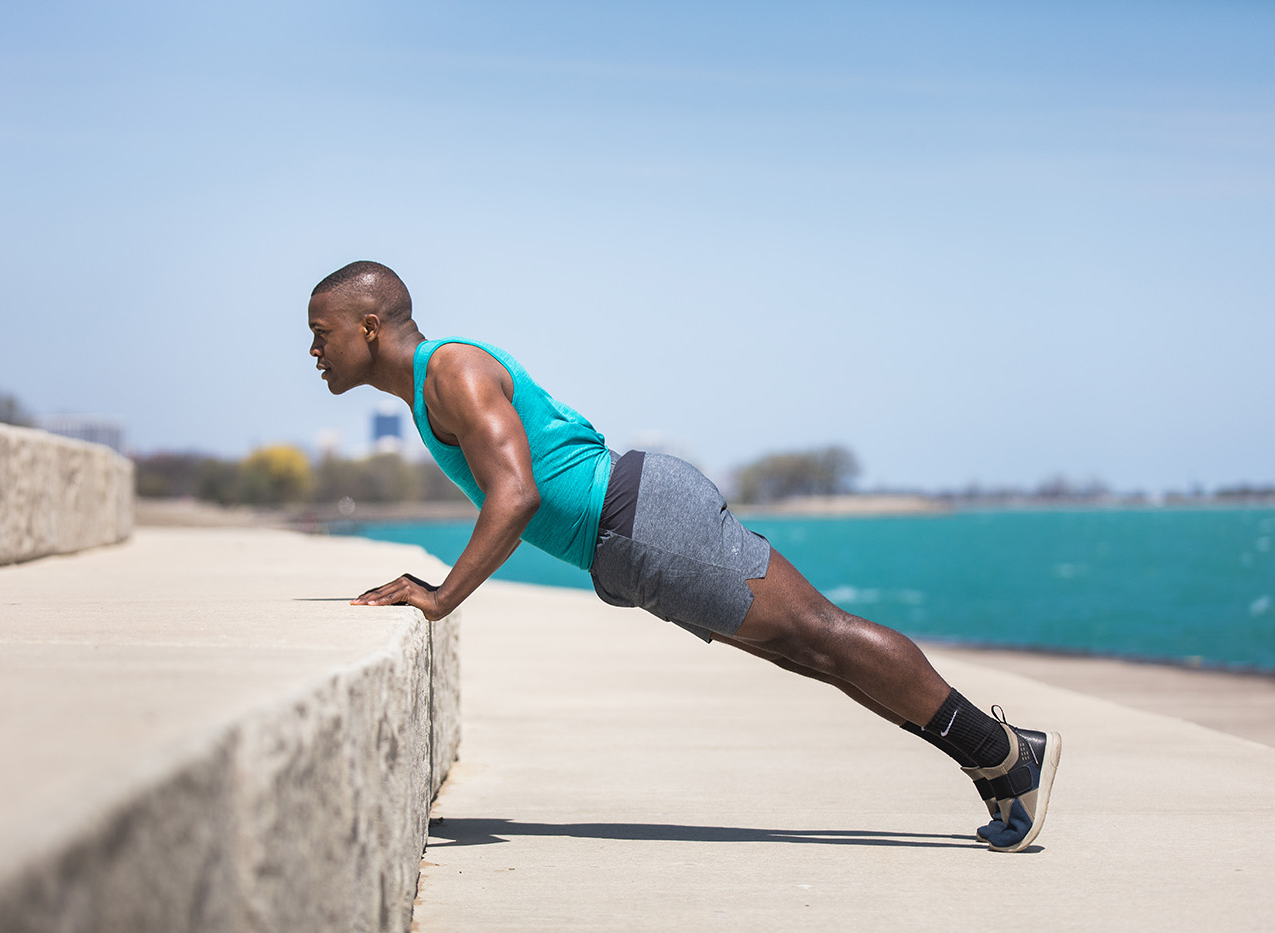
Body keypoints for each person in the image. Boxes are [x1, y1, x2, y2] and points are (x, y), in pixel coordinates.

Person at [308, 260, 1061, 853]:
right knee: (813, 654)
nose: (314, 351)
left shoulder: (452, 372)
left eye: (322, 332)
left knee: (823, 634)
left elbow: (516, 495)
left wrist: (441, 595)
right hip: (629, 537)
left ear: (370, 325)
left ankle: (1006, 756)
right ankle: (1000, 760)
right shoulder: (427, 388)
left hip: (641, 517)